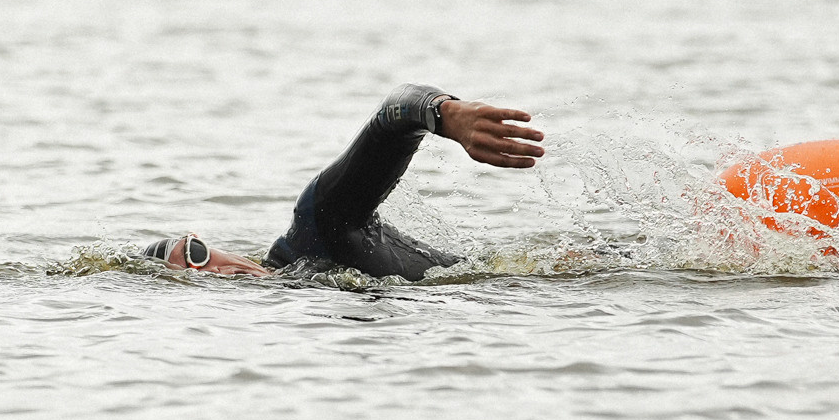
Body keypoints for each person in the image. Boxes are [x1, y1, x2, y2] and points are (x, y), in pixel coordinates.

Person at [144, 84, 543, 281]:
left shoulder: (317, 225)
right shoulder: (297, 306)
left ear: (202, 240)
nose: (217, 274)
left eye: (197, 256)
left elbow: (391, 116)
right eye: (201, 282)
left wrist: (444, 115)